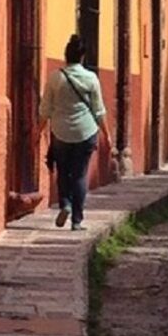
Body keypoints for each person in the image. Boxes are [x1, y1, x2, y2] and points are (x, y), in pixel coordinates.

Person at [39, 35, 111, 231]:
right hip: (85, 132)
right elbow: (98, 110)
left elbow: (45, 109)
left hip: (60, 132)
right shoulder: (91, 78)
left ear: (66, 56)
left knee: (63, 171)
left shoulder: (55, 78)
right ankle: (77, 221)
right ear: (82, 56)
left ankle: (65, 204)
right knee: (80, 174)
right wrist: (107, 135)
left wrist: (38, 132)